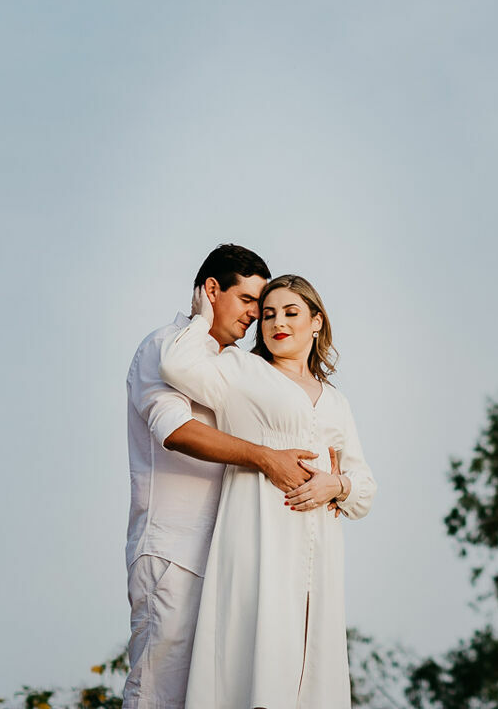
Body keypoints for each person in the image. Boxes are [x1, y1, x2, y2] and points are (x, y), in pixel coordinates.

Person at [125, 244, 327, 709]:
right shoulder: (163, 346)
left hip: (230, 558)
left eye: (262, 305)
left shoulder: (235, 366)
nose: (256, 315)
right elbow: (175, 430)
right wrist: (267, 458)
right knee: (160, 693)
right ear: (211, 291)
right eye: (248, 300)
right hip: (175, 552)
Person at [160, 273, 376, 709]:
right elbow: (176, 366)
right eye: (269, 315)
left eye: (291, 313)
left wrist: (336, 484)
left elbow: (365, 489)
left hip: (320, 555)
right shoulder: (242, 370)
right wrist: (203, 317)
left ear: (316, 321)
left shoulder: (336, 401)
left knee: (311, 669)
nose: (278, 322)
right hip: (258, 538)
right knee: (255, 660)